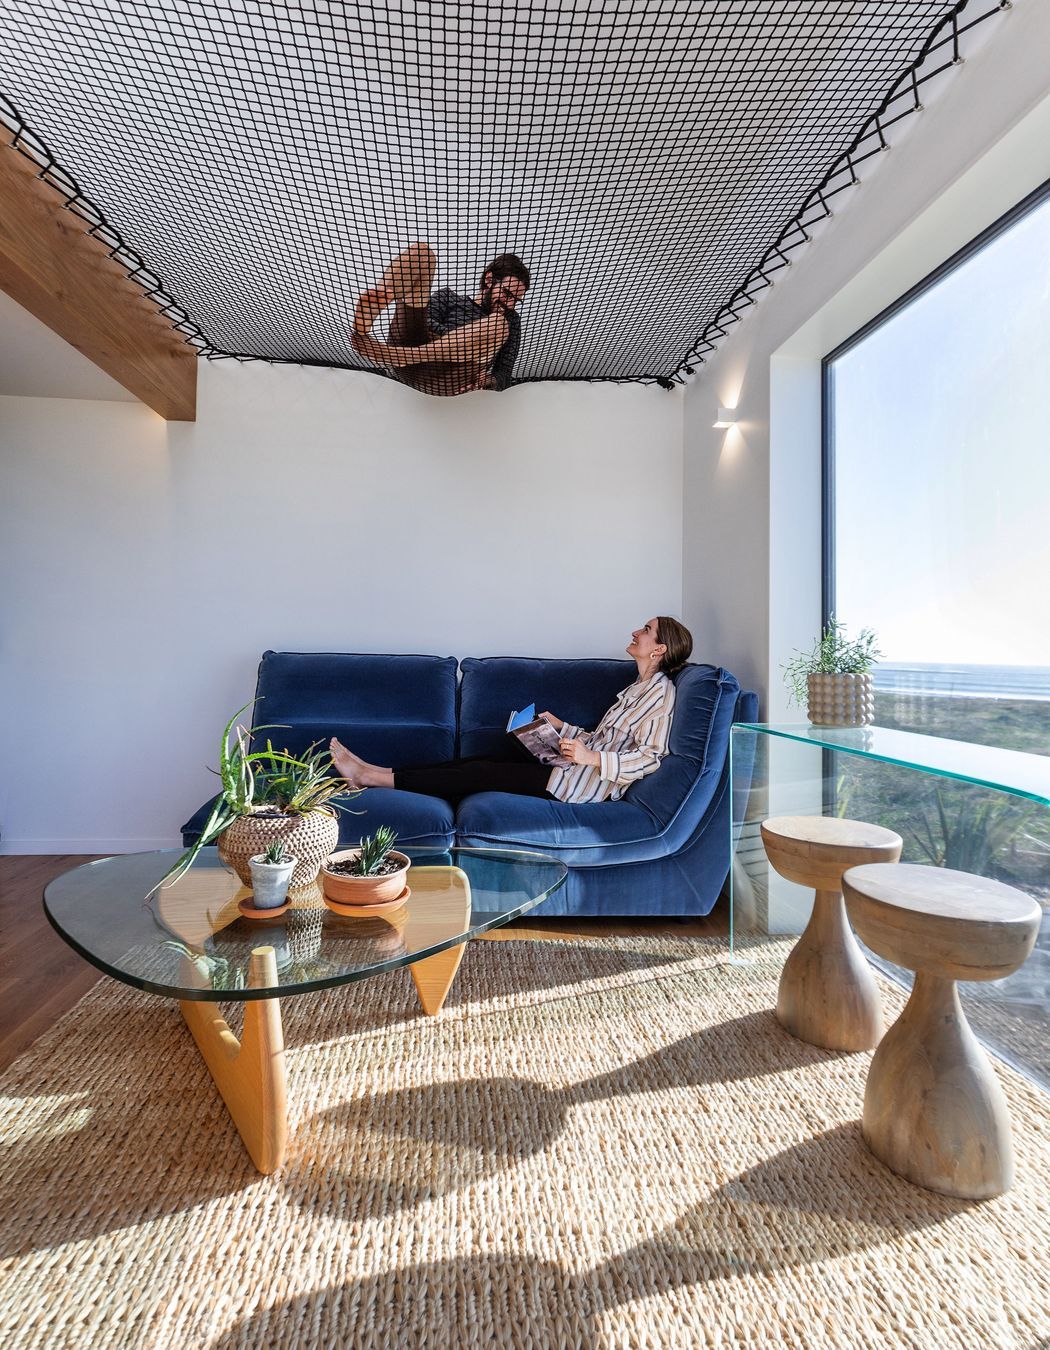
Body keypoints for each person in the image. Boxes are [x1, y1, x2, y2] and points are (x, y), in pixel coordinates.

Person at [329, 617, 693, 806]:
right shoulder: (636, 688)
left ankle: (371, 777)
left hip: (575, 789)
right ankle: (372, 771)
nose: (636, 632)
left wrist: (592, 757)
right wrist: (561, 727)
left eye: (646, 630)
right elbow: (604, 740)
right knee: (476, 761)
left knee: (480, 773)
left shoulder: (661, 695)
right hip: (565, 769)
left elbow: (650, 758)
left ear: (659, 649)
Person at [349, 243, 529, 397]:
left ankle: (397, 355)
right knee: (421, 253)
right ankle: (374, 306)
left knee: (498, 324)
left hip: (447, 378)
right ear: (489, 280)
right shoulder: (448, 297)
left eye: (516, 299)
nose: (510, 303)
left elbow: (504, 372)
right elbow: (425, 322)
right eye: (506, 294)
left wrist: (489, 381)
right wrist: (460, 341)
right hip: (410, 354)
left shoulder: (510, 320)